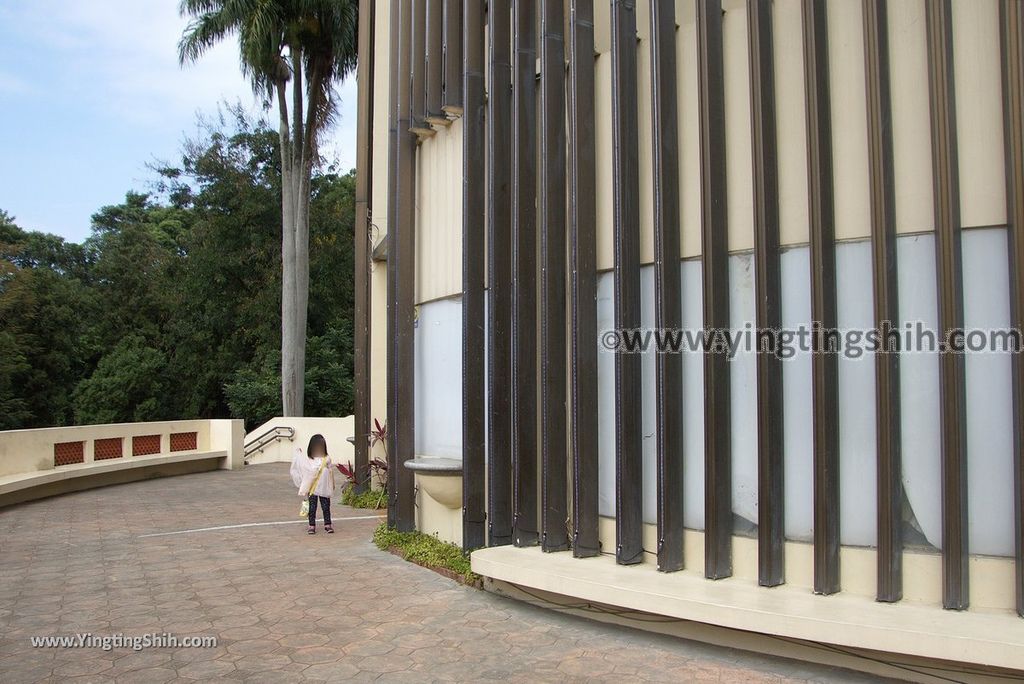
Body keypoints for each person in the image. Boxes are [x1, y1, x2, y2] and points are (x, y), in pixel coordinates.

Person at [290, 434, 336, 534]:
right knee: (312, 507)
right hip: (313, 488)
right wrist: (299, 455)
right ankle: (312, 525)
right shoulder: (309, 460)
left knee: (326, 506)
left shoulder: (327, 459)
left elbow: (331, 473)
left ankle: (327, 524)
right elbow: (304, 470)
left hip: (324, 488)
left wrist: (332, 485)